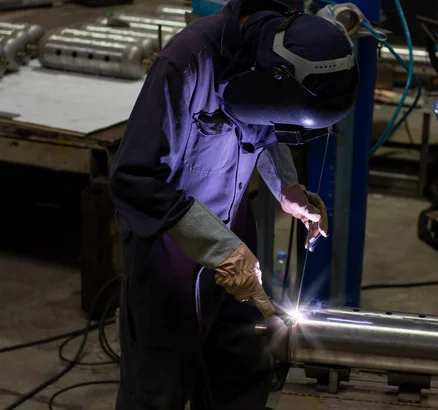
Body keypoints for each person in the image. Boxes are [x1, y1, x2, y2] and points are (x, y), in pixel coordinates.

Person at [108, 0, 359, 408]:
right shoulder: (185, 65)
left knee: (240, 371)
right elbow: (135, 179)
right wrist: (219, 250)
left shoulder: (270, 57)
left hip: (234, 230)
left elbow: (264, 123)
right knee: (160, 388)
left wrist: (287, 189)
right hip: (170, 247)